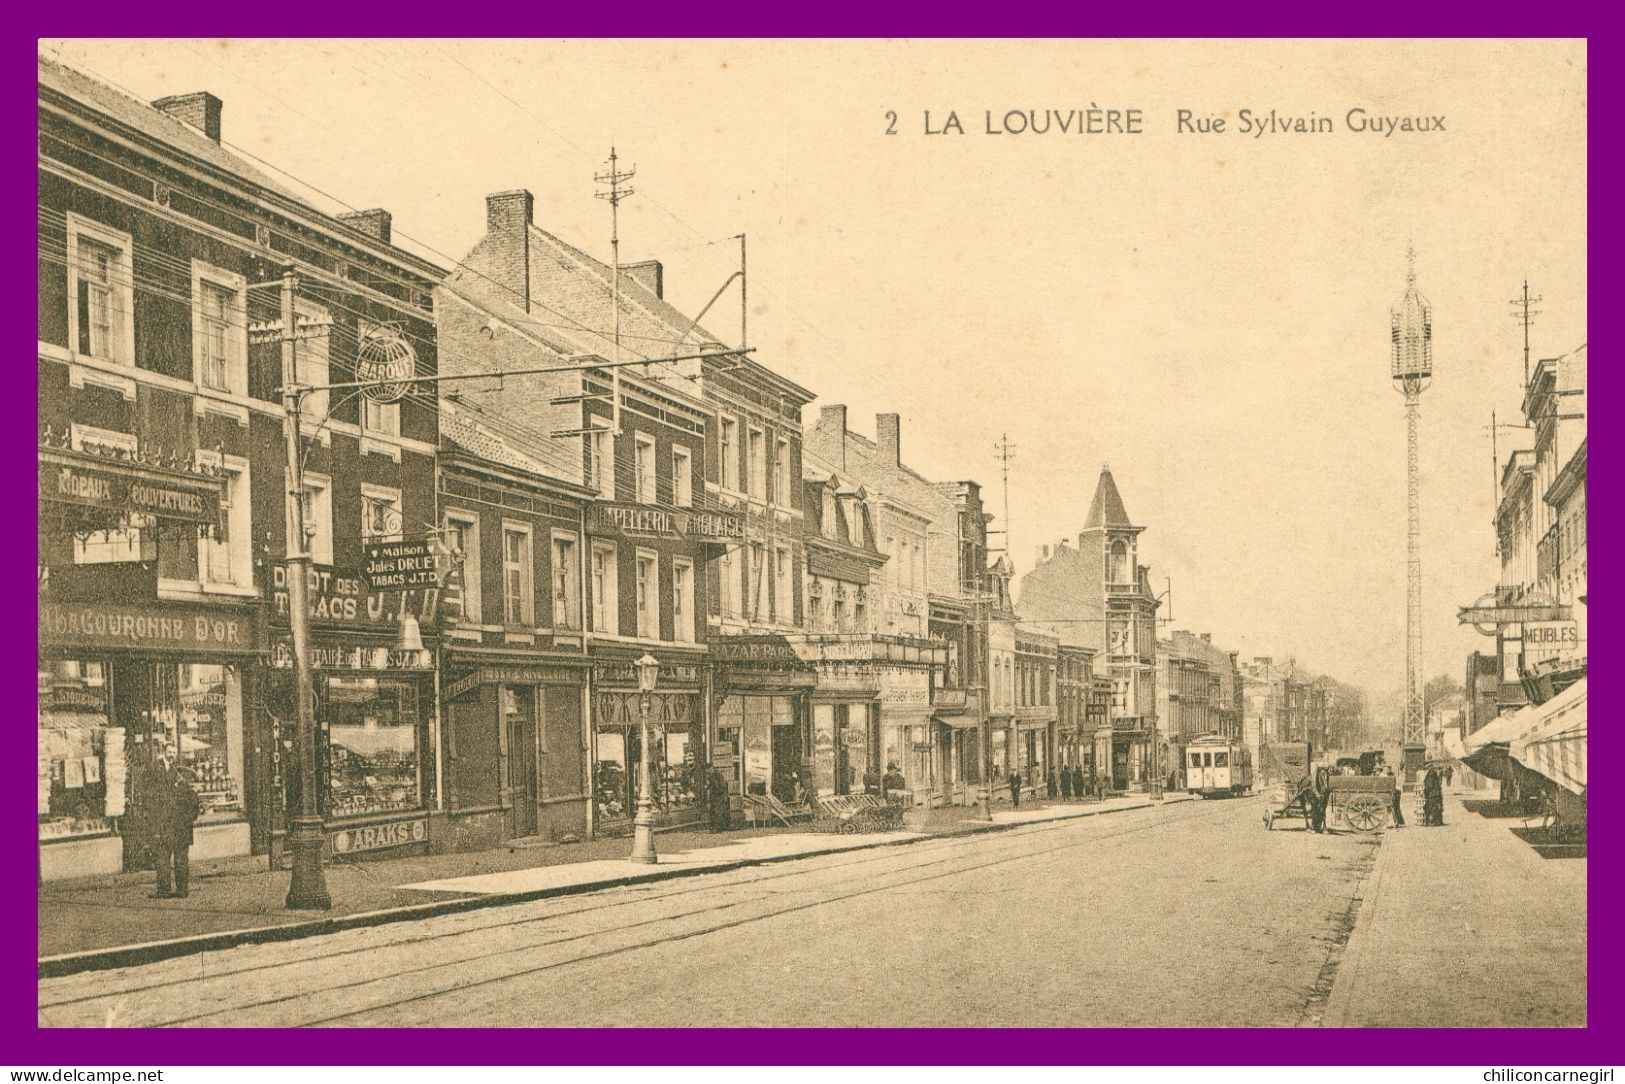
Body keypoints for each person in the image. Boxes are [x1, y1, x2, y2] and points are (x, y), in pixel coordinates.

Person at [154, 761, 200, 899]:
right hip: (182, 831)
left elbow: (162, 811)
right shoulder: (190, 793)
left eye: (178, 775)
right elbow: (194, 814)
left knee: (164, 859)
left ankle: (164, 890)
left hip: (171, 830)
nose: (178, 777)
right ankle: (181, 889)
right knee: (180, 860)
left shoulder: (172, 793)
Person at [708, 767, 732, 832]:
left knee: (716, 812)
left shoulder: (714, 776)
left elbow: (717, 787)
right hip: (720, 796)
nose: (707, 773)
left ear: (710, 769)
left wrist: (711, 791)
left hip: (717, 797)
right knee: (719, 811)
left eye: (707, 771)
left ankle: (716, 828)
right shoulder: (717, 775)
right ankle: (720, 827)